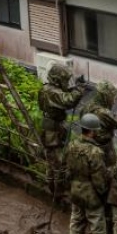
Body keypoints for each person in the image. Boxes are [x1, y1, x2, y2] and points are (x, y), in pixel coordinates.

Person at [37, 64, 85, 195]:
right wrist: (79, 89)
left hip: (51, 128)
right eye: (64, 79)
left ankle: (52, 186)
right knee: (59, 163)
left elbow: (63, 96)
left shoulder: (46, 88)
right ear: (57, 79)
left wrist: (74, 87)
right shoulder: (52, 92)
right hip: (53, 131)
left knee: (51, 162)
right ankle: (57, 191)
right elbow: (68, 101)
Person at [65, 113, 109, 234]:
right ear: (91, 131)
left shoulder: (72, 145)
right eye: (96, 130)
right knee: (96, 220)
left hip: (75, 189)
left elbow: (68, 169)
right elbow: (99, 178)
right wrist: (103, 192)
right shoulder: (95, 152)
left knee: (76, 217)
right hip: (90, 193)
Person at [85, 81, 117, 168]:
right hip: (103, 148)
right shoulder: (103, 113)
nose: (114, 101)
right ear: (105, 97)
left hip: (87, 143)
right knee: (108, 170)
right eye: (113, 98)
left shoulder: (88, 105)